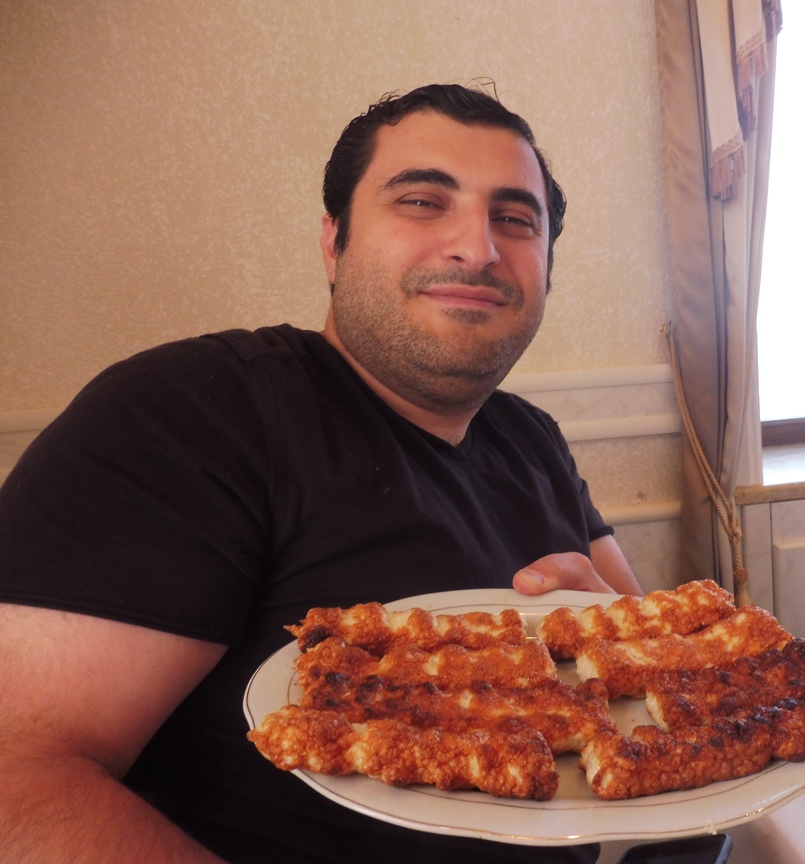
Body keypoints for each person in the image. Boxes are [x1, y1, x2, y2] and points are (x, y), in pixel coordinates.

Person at [0, 83, 643, 864]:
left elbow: (643, 659)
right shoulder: (194, 412)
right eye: (421, 201)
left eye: (515, 218)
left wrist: (610, 650)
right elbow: (19, 780)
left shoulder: (533, 437)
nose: (477, 247)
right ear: (334, 243)